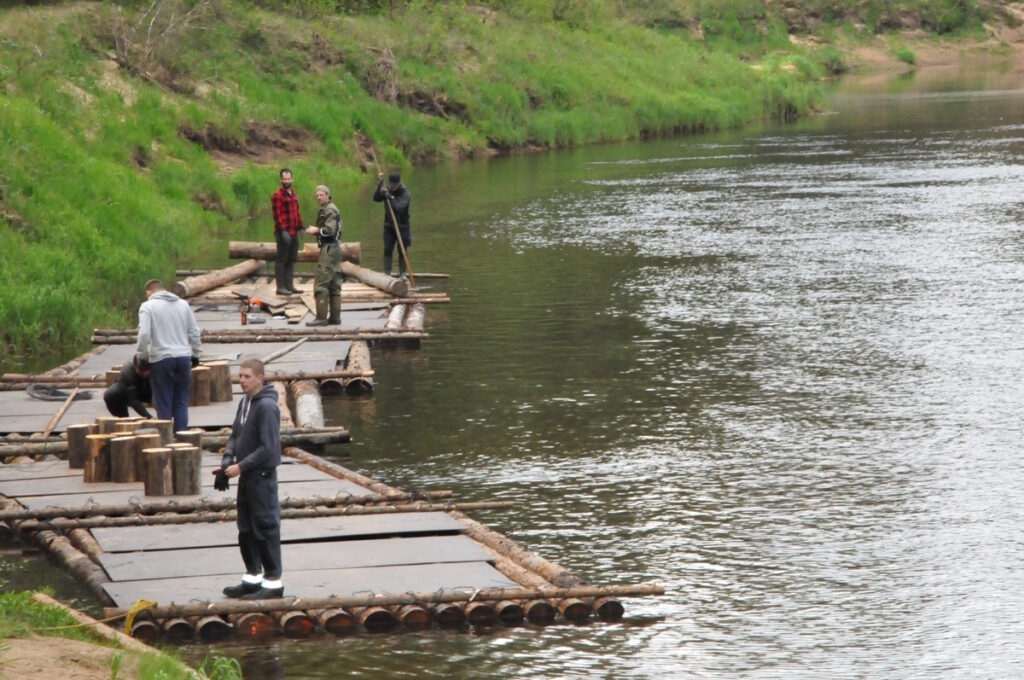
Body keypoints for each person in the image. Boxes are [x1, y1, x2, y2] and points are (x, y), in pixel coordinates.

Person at [214, 358, 284, 600]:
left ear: (260, 379)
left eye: (247, 376)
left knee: (265, 527)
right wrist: (227, 462)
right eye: (240, 376)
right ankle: (253, 577)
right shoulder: (245, 402)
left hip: (262, 477)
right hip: (246, 476)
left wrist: (240, 466)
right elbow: (235, 435)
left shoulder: (267, 407)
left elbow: (268, 448)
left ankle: (273, 583)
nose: (241, 380)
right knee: (245, 529)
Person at [135, 279, 201, 433]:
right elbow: (194, 330)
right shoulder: (183, 304)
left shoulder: (147, 306)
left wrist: (141, 355)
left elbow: (144, 334)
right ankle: (182, 437)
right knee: (181, 401)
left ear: (148, 292)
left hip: (161, 358)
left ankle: (166, 438)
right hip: (183, 357)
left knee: (163, 401)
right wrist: (196, 353)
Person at [304, 184, 343, 326]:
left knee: (321, 284)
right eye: (317, 195)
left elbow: (330, 230)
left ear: (327, 195)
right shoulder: (327, 208)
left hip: (329, 249)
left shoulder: (330, 209)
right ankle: (335, 318)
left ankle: (321, 318)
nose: (318, 197)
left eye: (321, 195)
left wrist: (316, 230)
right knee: (334, 283)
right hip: (334, 249)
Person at [373, 171, 411, 280]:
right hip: (389, 226)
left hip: (402, 227)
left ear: (399, 183)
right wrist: (379, 184)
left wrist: (390, 197)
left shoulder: (405, 194)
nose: (391, 187)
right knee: (387, 249)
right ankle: (387, 273)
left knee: (402, 250)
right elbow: (376, 198)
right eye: (390, 185)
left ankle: (402, 274)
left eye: (394, 186)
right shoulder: (387, 189)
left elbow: (399, 208)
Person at [271, 168, 303, 296]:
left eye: (288, 179)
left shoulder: (294, 194)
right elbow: (276, 215)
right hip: (283, 233)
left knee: (291, 259)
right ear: (281, 180)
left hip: (294, 232)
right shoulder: (277, 196)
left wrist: (301, 226)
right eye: (284, 179)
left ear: (292, 179)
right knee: (281, 259)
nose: (287, 181)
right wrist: (282, 231)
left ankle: (290, 286)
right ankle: (280, 287)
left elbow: (297, 212)